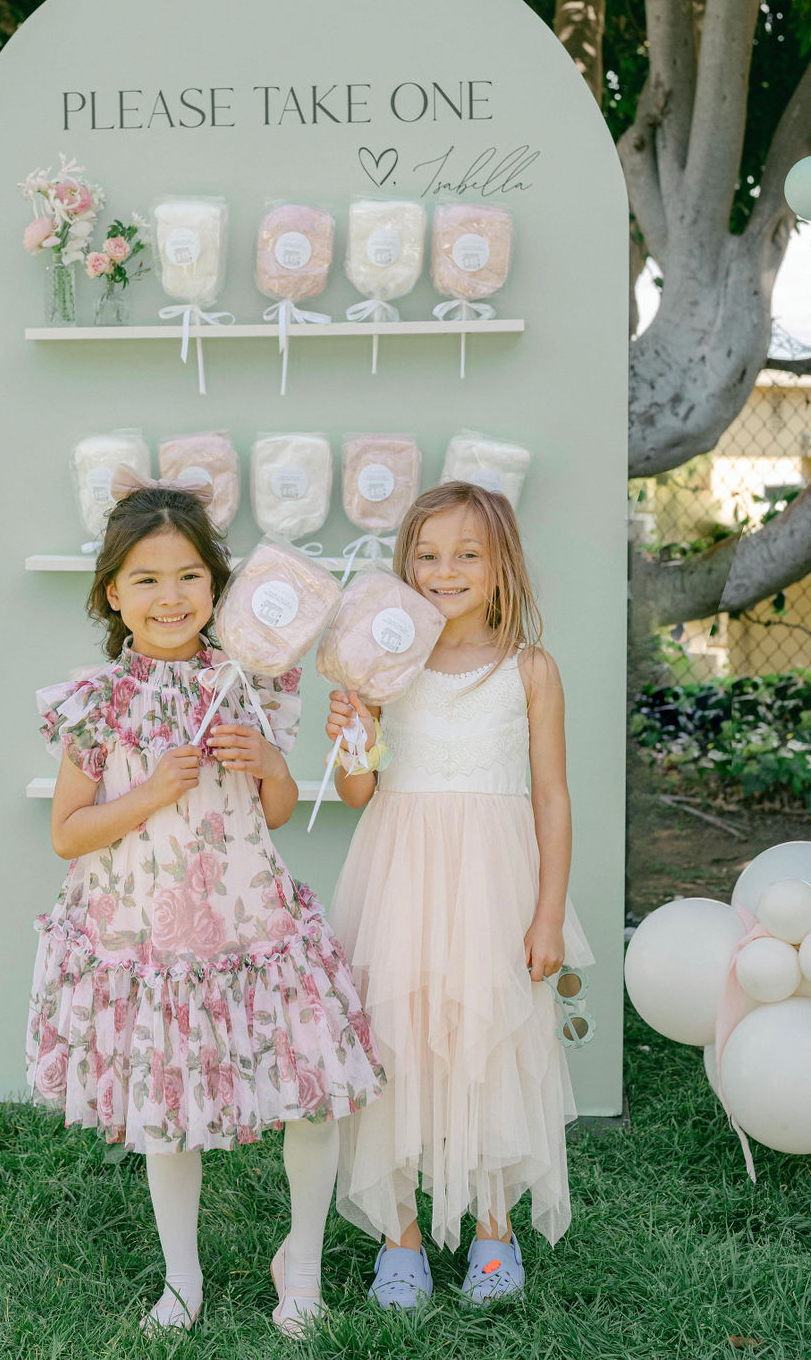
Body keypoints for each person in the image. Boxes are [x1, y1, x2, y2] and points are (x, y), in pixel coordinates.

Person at [26, 474, 384, 1334]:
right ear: (114, 592)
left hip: (250, 922)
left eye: (189, 576)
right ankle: (181, 1279)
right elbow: (69, 834)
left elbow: (276, 812)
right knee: (168, 1110)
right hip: (150, 937)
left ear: (216, 587)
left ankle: (300, 1267)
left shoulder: (250, 682)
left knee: (310, 1090)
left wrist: (265, 758)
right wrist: (148, 792)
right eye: (146, 580)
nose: (170, 596)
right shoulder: (101, 702)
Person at [326, 480, 593, 1308]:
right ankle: (399, 1237)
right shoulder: (383, 665)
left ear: (500, 565)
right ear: (406, 565)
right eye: (428, 554)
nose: (445, 570)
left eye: (467, 554)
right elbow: (356, 796)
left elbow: (550, 795)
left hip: (495, 882)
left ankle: (492, 1227)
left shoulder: (530, 671)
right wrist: (356, 737)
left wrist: (548, 910)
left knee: (489, 1043)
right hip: (401, 875)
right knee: (400, 1041)